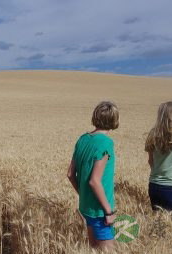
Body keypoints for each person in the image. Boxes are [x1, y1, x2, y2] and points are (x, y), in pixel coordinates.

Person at [67, 101, 119, 251]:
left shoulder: (82, 139)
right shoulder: (106, 143)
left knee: (93, 249)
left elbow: (70, 174)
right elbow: (94, 181)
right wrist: (108, 211)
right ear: (115, 120)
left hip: (86, 206)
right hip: (100, 211)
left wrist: (83, 195)